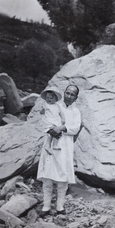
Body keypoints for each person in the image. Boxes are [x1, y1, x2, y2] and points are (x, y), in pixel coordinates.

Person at [37, 84, 81, 217]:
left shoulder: (76, 112)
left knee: (63, 175)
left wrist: (61, 128)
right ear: (64, 93)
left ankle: (60, 207)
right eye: (67, 93)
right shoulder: (55, 105)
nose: (69, 96)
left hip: (66, 145)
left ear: (76, 97)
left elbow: (75, 128)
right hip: (51, 141)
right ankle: (46, 206)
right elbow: (43, 121)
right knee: (47, 175)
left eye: (72, 94)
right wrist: (50, 129)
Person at [40, 86, 65, 155]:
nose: (49, 100)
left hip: (56, 121)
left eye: (51, 98)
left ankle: (55, 145)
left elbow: (60, 113)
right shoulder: (45, 104)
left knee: (58, 133)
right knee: (51, 134)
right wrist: (42, 111)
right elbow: (41, 112)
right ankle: (47, 146)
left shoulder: (57, 105)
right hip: (49, 121)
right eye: (47, 98)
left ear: (56, 99)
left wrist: (63, 118)